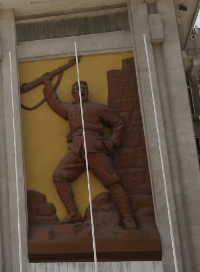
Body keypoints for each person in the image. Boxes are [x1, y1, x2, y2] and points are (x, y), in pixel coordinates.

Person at [42, 77, 137, 230]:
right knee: (59, 175)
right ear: (73, 93)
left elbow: (118, 123)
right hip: (76, 149)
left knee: (112, 181)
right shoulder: (70, 109)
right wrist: (47, 85)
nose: (82, 91)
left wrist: (112, 143)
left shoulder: (97, 108)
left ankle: (128, 220)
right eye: (78, 88)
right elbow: (55, 103)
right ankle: (73, 213)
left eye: (84, 88)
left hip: (95, 148)